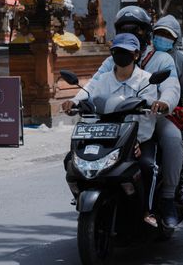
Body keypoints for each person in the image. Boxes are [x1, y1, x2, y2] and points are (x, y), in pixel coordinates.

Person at [63, 5, 183, 229]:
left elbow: (171, 87)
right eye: (125, 30)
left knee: (172, 139)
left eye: (137, 30)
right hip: (113, 121)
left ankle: (166, 199)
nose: (132, 35)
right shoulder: (113, 61)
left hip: (149, 118)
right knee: (74, 156)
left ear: (146, 32)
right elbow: (93, 86)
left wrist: (164, 102)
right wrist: (76, 102)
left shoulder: (162, 59)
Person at [63, 33, 160, 224]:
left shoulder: (146, 81)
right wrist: (72, 103)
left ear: (136, 55)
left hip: (136, 139)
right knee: (71, 161)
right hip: (106, 136)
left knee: (147, 166)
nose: (120, 55)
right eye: (116, 51)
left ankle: (147, 211)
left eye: (124, 52)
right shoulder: (104, 79)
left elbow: (148, 118)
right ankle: (79, 196)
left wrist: (137, 140)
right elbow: (86, 94)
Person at [153, 15, 183, 208]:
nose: (162, 38)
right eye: (159, 34)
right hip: (142, 113)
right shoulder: (144, 55)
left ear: (176, 39)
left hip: (172, 114)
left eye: (167, 35)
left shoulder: (180, 60)